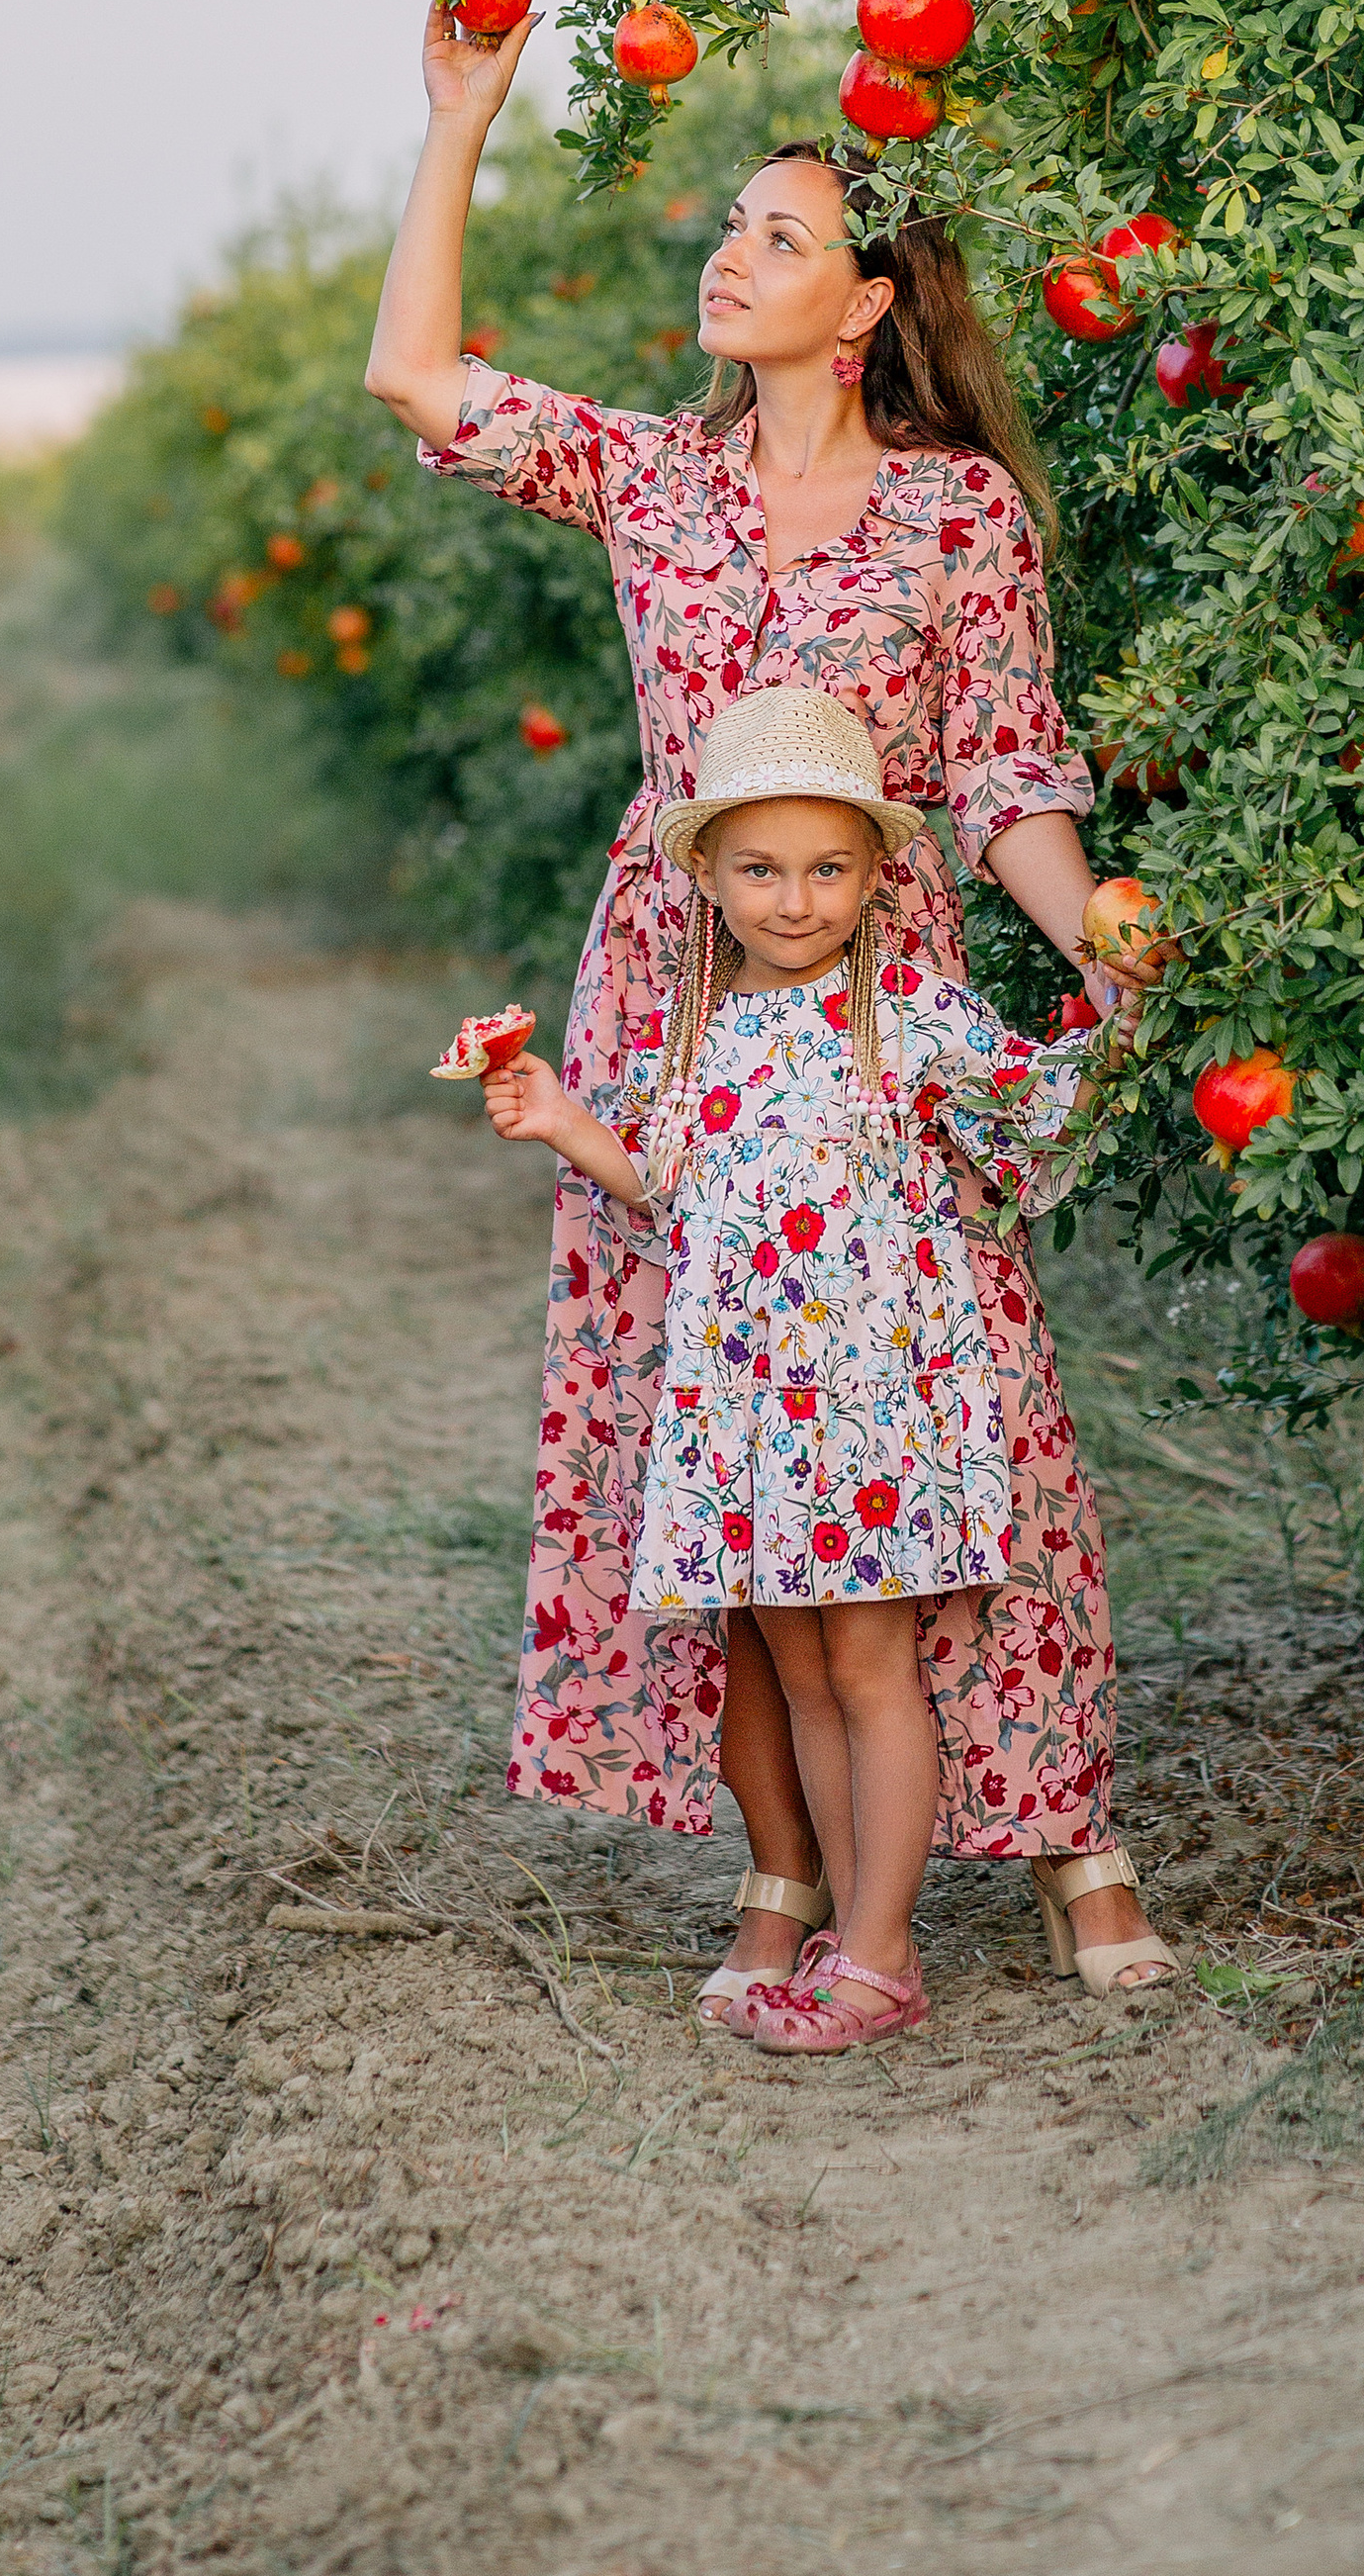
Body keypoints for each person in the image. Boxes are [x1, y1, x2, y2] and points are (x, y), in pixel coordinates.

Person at [364, 0, 1179, 2003]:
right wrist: (463, 114)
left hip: (883, 1001)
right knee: (700, 1421)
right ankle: (784, 1872)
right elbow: (414, 375)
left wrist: (1092, 939)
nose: (727, 257)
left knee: (963, 1416)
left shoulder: (952, 513)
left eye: (777, 236)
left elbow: (1000, 773)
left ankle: (1066, 1829)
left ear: (871, 302)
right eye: (726, 227)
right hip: (671, 993)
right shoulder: (650, 479)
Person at [476, 685, 1128, 2051]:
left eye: (828, 868)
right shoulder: (702, 1030)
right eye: (762, 870)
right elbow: (663, 1182)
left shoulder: (910, 1011)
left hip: (875, 1411)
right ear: (705, 876)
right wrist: (556, 1117)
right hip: (743, 1412)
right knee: (811, 1679)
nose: (794, 899)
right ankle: (849, 1935)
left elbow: (1040, 1115)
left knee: (876, 1672)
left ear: (878, 873)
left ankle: (883, 1955)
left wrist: (1117, 1003)